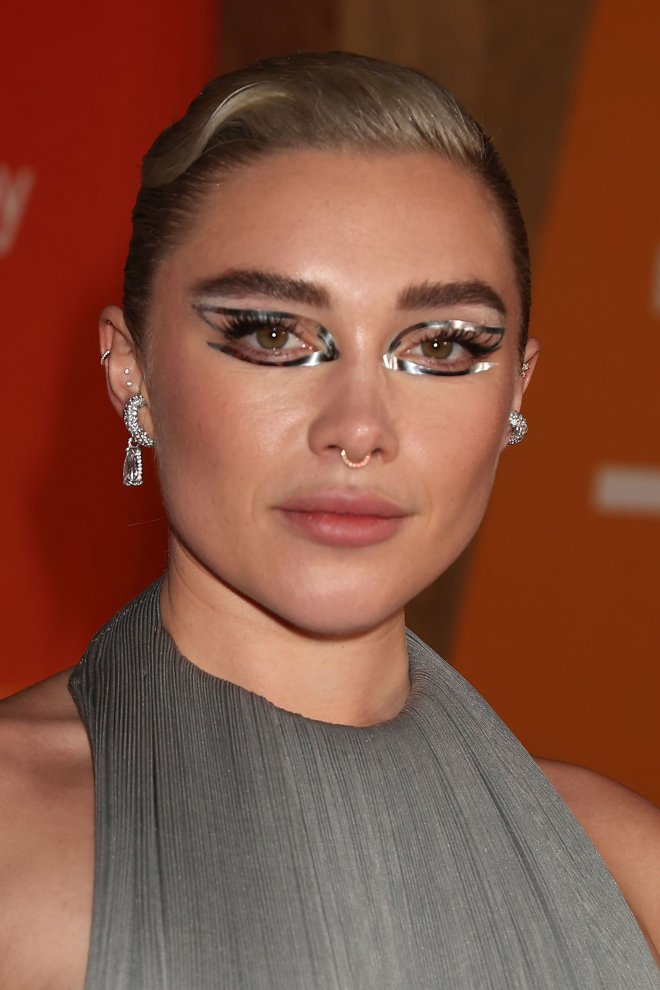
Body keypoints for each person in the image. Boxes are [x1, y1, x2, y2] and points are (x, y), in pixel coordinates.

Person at [0, 51, 658, 990]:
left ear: (517, 389)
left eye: (440, 346)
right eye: (275, 334)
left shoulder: (625, 871)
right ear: (129, 369)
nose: (358, 428)